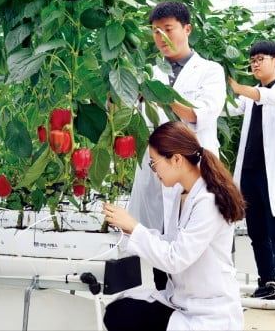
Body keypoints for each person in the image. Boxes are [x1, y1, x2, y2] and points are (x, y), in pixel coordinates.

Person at [102, 121, 245, 331]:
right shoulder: (182, 194)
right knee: (118, 311)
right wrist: (132, 229)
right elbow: (172, 240)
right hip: (184, 300)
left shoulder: (208, 200)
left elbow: (176, 259)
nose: (154, 171)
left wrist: (136, 228)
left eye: (154, 163)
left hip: (208, 309)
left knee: (122, 317)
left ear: (176, 159)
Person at [128, 0, 226, 290]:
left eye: (168, 29)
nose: (161, 38)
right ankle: (165, 302)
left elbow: (200, 114)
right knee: (157, 241)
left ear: (187, 29)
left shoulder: (210, 71)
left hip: (192, 169)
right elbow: (125, 105)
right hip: (157, 167)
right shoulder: (148, 71)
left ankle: (193, 303)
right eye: (156, 31)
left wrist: (159, 93)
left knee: (193, 245)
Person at [225, 40, 275, 319]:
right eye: (252, 60)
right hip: (249, 174)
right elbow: (226, 108)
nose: (255, 63)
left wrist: (238, 86)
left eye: (260, 58)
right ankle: (267, 282)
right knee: (257, 233)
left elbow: (268, 97)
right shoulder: (249, 97)